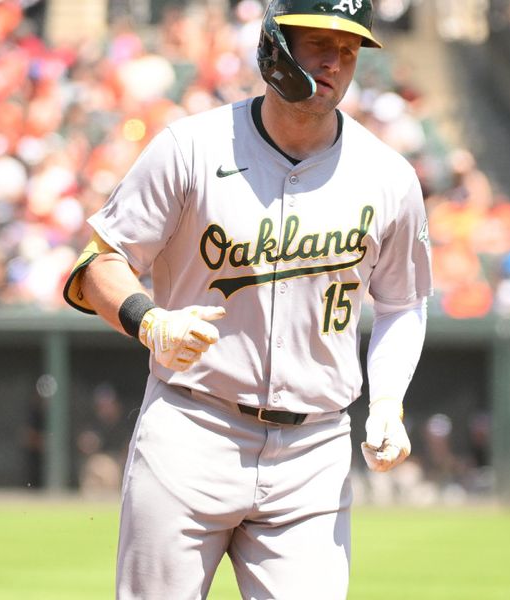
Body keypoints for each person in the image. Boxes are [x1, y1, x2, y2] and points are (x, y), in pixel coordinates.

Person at [62, 0, 433, 597]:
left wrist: (388, 400)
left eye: (349, 48)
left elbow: (402, 303)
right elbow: (96, 264)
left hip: (314, 447)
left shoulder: (388, 176)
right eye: (318, 43)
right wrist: (149, 320)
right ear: (274, 45)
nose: (335, 62)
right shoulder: (190, 148)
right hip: (193, 425)